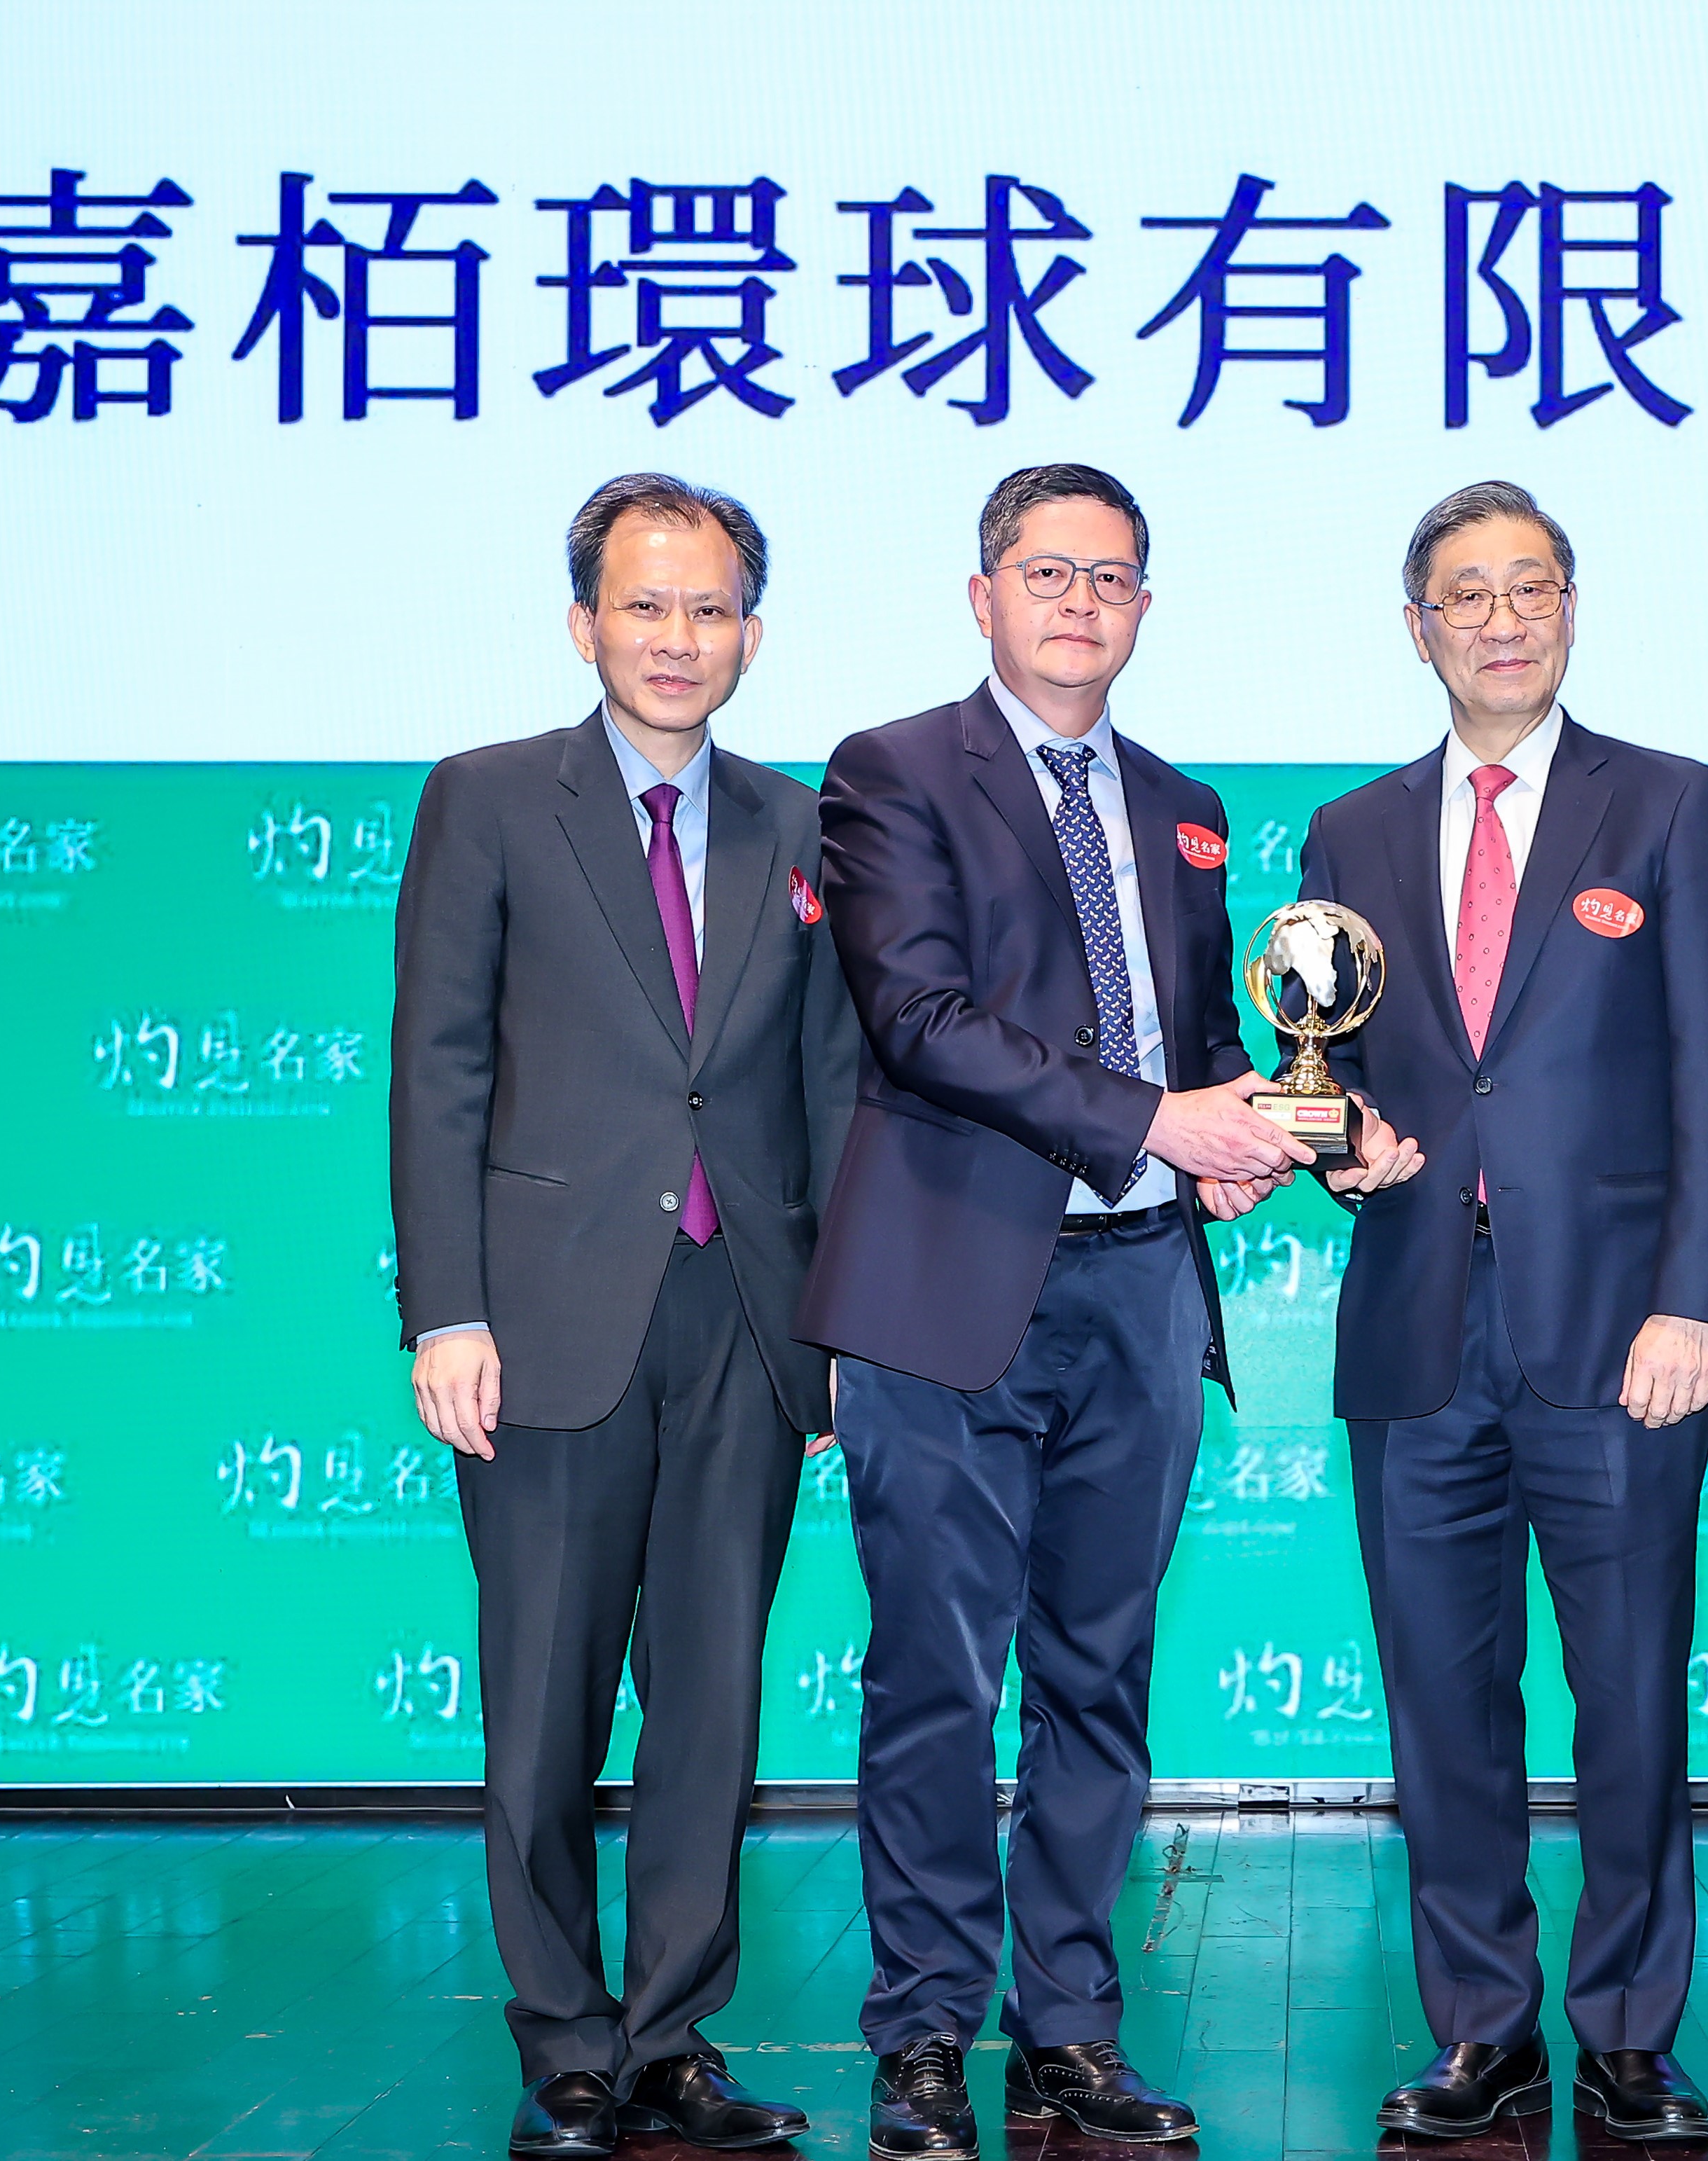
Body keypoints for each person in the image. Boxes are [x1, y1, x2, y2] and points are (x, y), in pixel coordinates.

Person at [793, 464, 1305, 2158]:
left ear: (1145, 607)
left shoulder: (1179, 801)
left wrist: (1269, 1130)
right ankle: (925, 2036)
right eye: (1047, 571)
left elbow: (1189, 1046)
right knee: (938, 1677)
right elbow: (922, 1015)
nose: (1080, 601)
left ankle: (1073, 2026)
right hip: (946, 1291)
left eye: (1112, 577)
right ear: (983, 593)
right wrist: (1157, 1118)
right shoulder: (890, 772)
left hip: (1143, 1289)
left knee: (1101, 1677)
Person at [391, 472, 857, 2157]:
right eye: (647, 606)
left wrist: (829, 1338)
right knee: (544, 1705)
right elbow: (438, 1071)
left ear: (751, 629)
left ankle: (672, 2037)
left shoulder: (801, 828)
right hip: (545, 1324)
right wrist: (446, 1308)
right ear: (584, 622)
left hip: (742, 1319)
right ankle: (565, 2041)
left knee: (713, 1701)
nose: (680, 637)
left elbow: (824, 1091)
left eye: (712, 607)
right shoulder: (494, 800)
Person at [1294, 480, 1708, 2143]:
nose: (1501, 620)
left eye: (1530, 588)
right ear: (1414, 626)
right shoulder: (1349, 831)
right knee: (1443, 1700)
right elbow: (1327, 1066)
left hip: (1620, 1334)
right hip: (1419, 1325)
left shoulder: (1667, 806)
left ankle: (1632, 2028)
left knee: (1631, 1690)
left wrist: (1698, 1301)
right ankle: (1481, 2024)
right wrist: (1332, 1140)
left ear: (1572, 607)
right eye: (1465, 595)